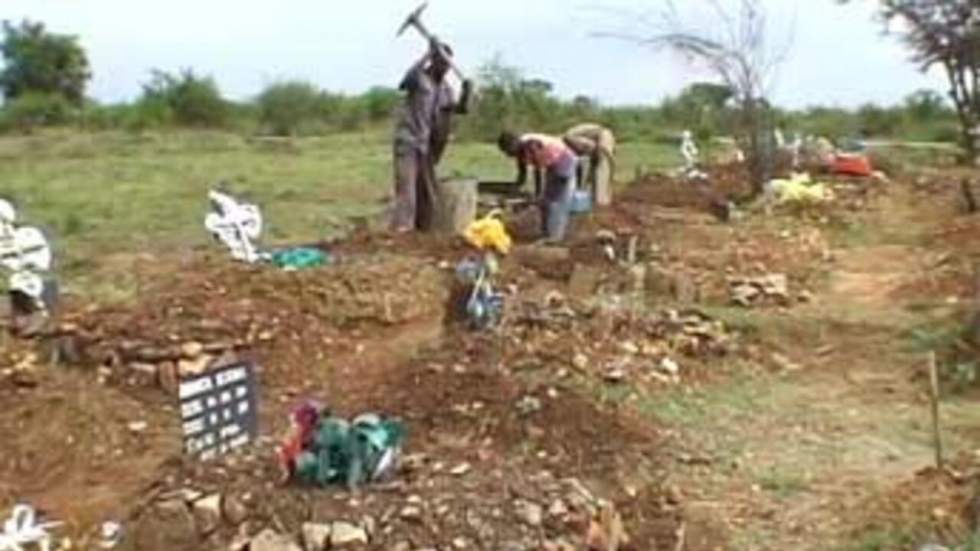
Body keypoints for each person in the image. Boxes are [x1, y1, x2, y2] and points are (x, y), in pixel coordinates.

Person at [391, 39, 473, 233]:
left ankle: (423, 233)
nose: (445, 69)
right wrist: (427, 54)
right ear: (433, 61)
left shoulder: (445, 89)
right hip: (408, 141)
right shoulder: (419, 78)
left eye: (448, 65)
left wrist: (466, 93)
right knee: (407, 191)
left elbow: (459, 109)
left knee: (428, 193)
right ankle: (403, 232)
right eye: (442, 63)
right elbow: (403, 83)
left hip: (426, 146)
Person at [497, 131, 578, 243]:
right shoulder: (520, 151)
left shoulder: (531, 144)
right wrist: (512, 192)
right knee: (545, 202)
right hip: (553, 164)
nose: (508, 154)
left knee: (556, 202)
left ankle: (554, 238)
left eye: (508, 150)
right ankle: (546, 234)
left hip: (564, 162)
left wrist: (539, 194)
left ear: (514, 144)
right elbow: (522, 175)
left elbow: (538, 170)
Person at [562, 123, 616, 206]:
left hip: (603, 138)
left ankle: (600, 201)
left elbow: (591, 147)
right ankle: (595, 197)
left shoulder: (569, 138)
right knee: (596, 168)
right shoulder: (570, 139)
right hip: (598, 140)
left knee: (602, 170)